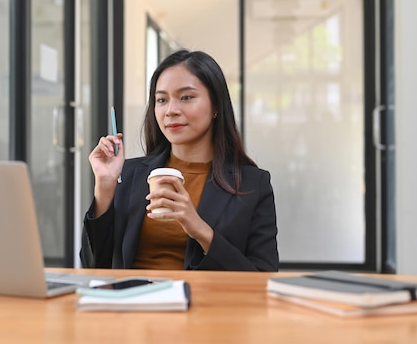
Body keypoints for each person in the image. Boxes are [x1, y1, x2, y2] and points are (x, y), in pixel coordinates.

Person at [80, 50, 279, 271]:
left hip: (206, 303)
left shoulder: (253, 184)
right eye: (162, 100)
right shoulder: (127, 173)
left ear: (215, 105)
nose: (171, 111)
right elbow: (93, 264)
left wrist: (198, 229)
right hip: (133, 301)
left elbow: (262, 277)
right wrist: (104, 187)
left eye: (186, 97)